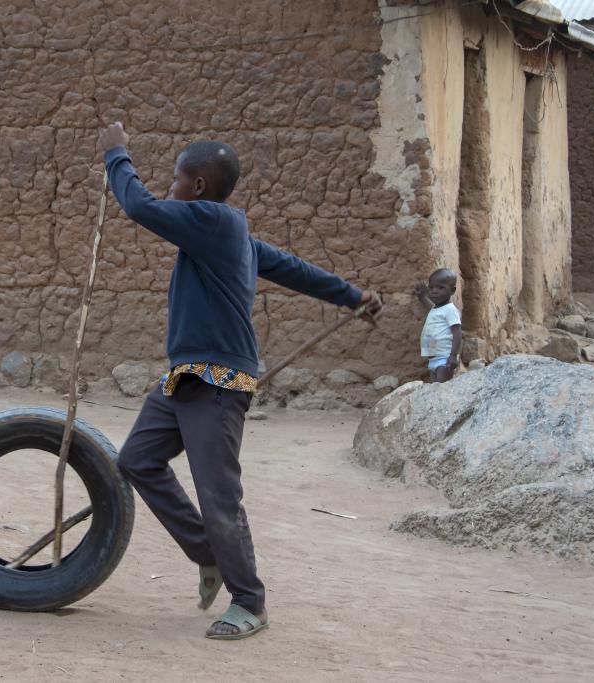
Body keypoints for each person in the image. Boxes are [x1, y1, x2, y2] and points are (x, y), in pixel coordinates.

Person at [97, 122, 382, 640]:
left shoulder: (211, 222)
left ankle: (250, 601)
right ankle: (208, 554)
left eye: (177, 180)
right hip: (185, 377)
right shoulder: (231, 238)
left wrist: (116, 153)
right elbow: (295, 269)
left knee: (218, 495)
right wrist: (351, 295)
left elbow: (137, 206)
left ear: (199, 188)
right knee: (137, 459)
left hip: (219, 382)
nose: (171, 189)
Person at [414, 268, 462, 382]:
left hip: (445, 359)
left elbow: (457, 333)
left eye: (441, 287)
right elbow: (432, 309)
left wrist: (453, 355)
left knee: (442, 391)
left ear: (452, 290)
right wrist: (423, 298)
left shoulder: (450, 310)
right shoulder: (437, 309)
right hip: (433, 359)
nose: (434, 291)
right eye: (431, 287)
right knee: (436, 391)